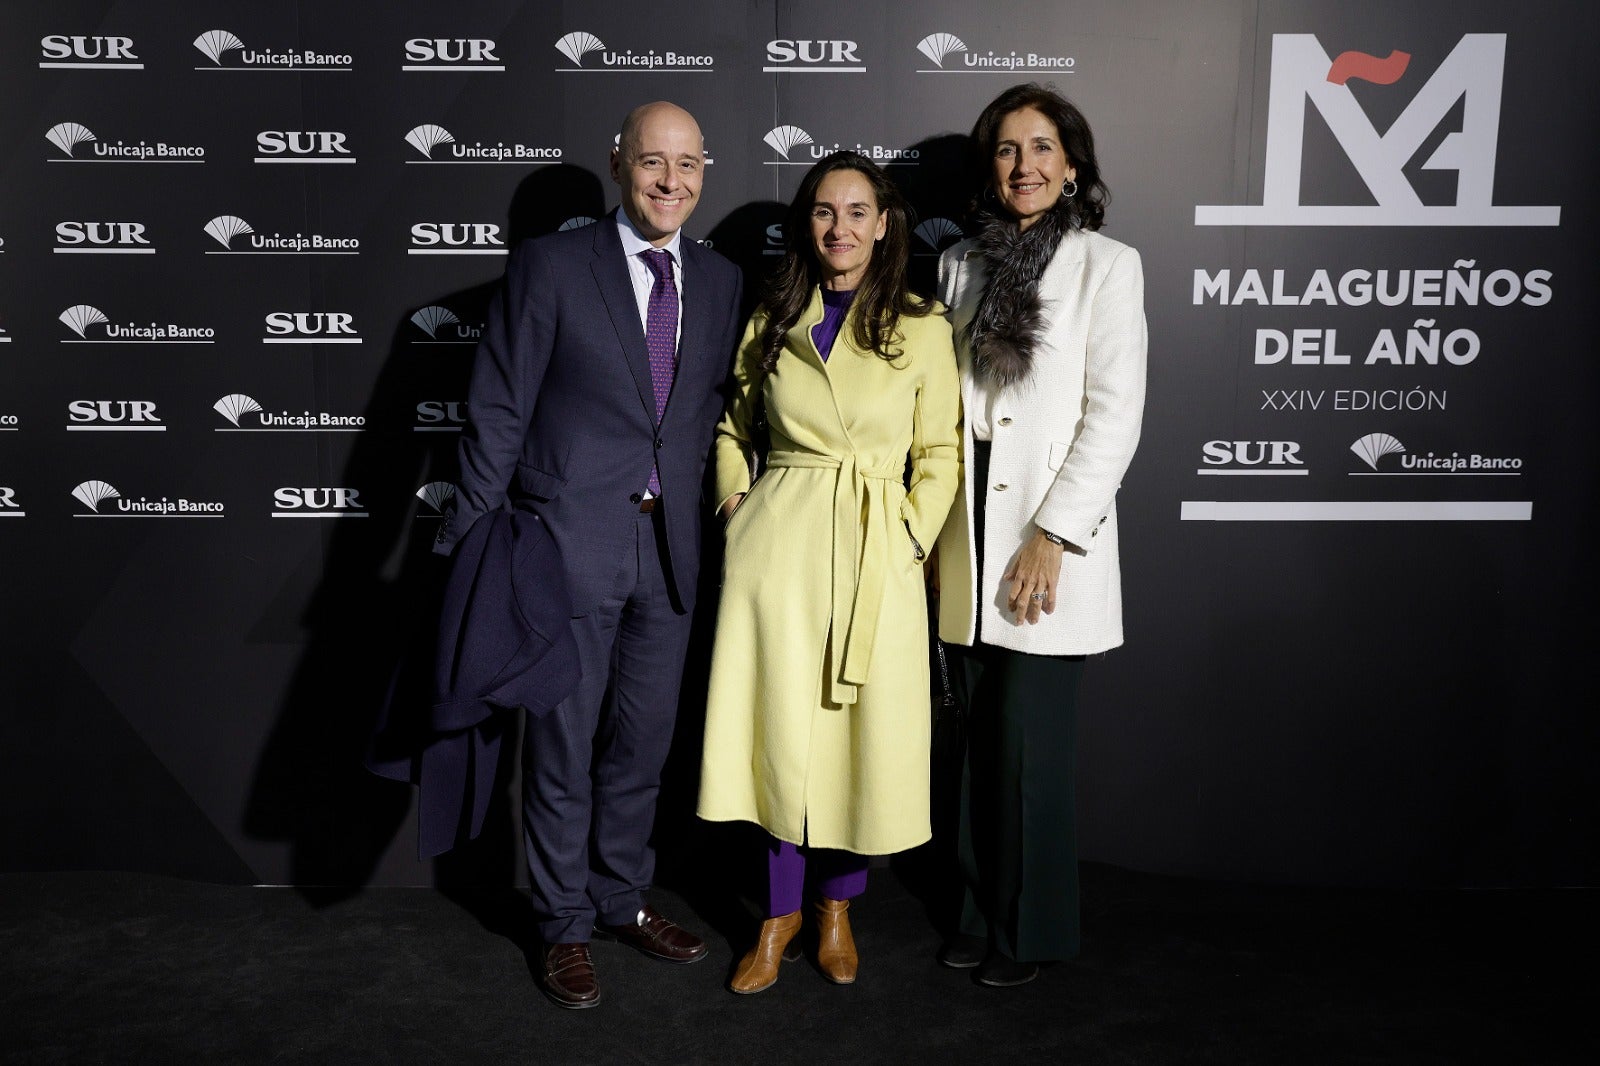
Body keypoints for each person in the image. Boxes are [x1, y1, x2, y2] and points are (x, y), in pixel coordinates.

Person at [434, 101, 744, 1009]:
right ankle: (563, 922)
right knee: (563, 749)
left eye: (688, 165)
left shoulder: (722, 282)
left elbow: (715, 416)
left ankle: (619, 896)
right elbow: (497, 409)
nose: (670, 182)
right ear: (619, 165)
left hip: (673, 552)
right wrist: (478, 544)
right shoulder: (552, 265)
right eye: (653, 162)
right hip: (567, 546)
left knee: (642, 747)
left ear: (704, 172)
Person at [697, 151, 961, 993]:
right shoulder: (772, 315)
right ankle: (776, 917)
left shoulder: (923, 324)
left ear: (884, 225)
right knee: (778, 732)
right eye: (822, 211)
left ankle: (836, 909)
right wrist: (739, 508)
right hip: (779, 549)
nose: (839, 228)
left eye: (856, 212)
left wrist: (910, 537)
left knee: (858, 738)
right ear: (805, 225)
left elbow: (941, 451)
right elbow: (733, 426)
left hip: (874, 547)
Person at [933, 83, 1147, 987]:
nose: (1026, 166)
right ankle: (979, 909)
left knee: (1033, 749)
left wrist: (1052, 535)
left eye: (1043, 148)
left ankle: (1034, 929)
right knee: (978, 741)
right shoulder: (955, 266)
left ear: (1072, 166)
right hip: (966, 525)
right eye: (1009, 150)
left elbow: (1115, 416)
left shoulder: (1109, 265)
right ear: (992, 168)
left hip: (1045, 532)